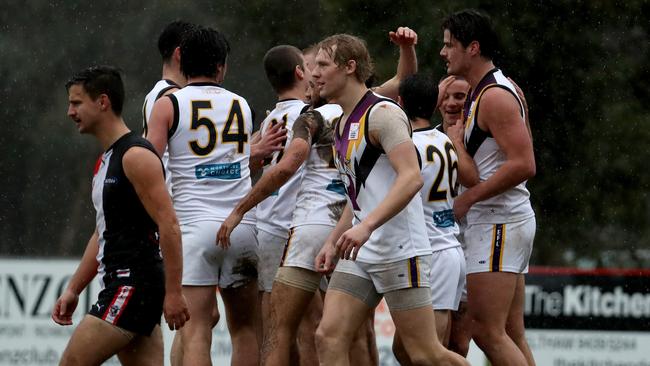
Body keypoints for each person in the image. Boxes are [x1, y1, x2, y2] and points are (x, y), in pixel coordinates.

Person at [311, 34, 468, 366]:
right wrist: (332, 239)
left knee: (426, 355)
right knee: (328, 337)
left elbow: (411, 177)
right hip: (361, 251)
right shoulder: (341, 123)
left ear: (350, 67)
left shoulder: (383, 113)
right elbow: (359, 196)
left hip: (400, 250)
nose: (315, 73)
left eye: (323, 65)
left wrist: (366, 226)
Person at [53, 65, 189, 366]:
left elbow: (169, 224)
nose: (69, 112)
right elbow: (102, 231)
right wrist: (74, 288)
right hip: (128, 284)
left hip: (132, 285)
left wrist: (174, 293)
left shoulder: (136, 156)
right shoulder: (107, 160)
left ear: (103, 102)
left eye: (76, 103)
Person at [146, 25, 259, 366]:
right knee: (247, 331)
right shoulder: (242, 104)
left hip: (194, 230)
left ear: (182, 62)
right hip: (241, 227)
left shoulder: (168, 105)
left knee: (195, 332)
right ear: (221, 66)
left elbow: (149, 167)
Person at [440, 9, 537, 366]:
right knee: (510, 332)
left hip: (498, 222)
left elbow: (524, 164)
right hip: (506, 220)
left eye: (450, 44)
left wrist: (468, 197)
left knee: (486, 331)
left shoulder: (495, 95)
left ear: (473, 48)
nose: (443, 52)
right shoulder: (494, 90)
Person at [390, 73, 466, 364]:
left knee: (431, 354)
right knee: (405, 349)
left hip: (437, 252)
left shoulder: (409, 146)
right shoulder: (444, 140)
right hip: (442, 248)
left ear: (399, 104)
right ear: (435, 104)